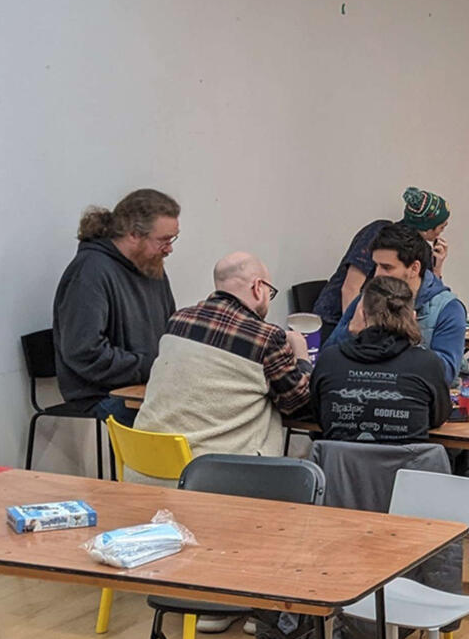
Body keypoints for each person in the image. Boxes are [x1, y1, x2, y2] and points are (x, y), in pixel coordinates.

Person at [134, 252, 313, 460]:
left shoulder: (178, 320)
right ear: (258, 287)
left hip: (144, 463)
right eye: (269, 292)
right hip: (209, 476)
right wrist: (301, 355)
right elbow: (299, 404)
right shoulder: (265, 337)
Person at [52, 189, 180, 421]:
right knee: (180, 421)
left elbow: (170, 331)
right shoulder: (90, 272)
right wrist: (148, 366)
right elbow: (84, 352)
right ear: (133, 234)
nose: (169, 248)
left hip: (146, 386)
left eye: (172, 239)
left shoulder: (151, 266)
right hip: (99, 394)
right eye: (164, 240)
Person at [308, 275, 451, 442]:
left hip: (339, 466)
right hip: (404, 465)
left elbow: (319, 414)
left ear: (361, 314)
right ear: (412, 317)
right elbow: (437, 418)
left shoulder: (330, 360)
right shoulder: (428, 364)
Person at [326, 221, 468, 386]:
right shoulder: (367, 299)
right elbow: (327, 356)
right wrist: (349, 332)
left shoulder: (448, 309)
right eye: (376, 266)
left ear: (414, 268)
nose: (377, 275)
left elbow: (446, 374)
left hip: (415, 400)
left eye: (387, 267)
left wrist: (405, 342)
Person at [311, 188, 450, 335]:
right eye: (441, 227)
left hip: (379, 328)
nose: (441, 232)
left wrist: (438, 266)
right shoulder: (379, 234)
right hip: (336, 320)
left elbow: (428, 294)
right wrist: (352, 333)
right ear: (427, 228)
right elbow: (350, 288)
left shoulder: (423, 251)